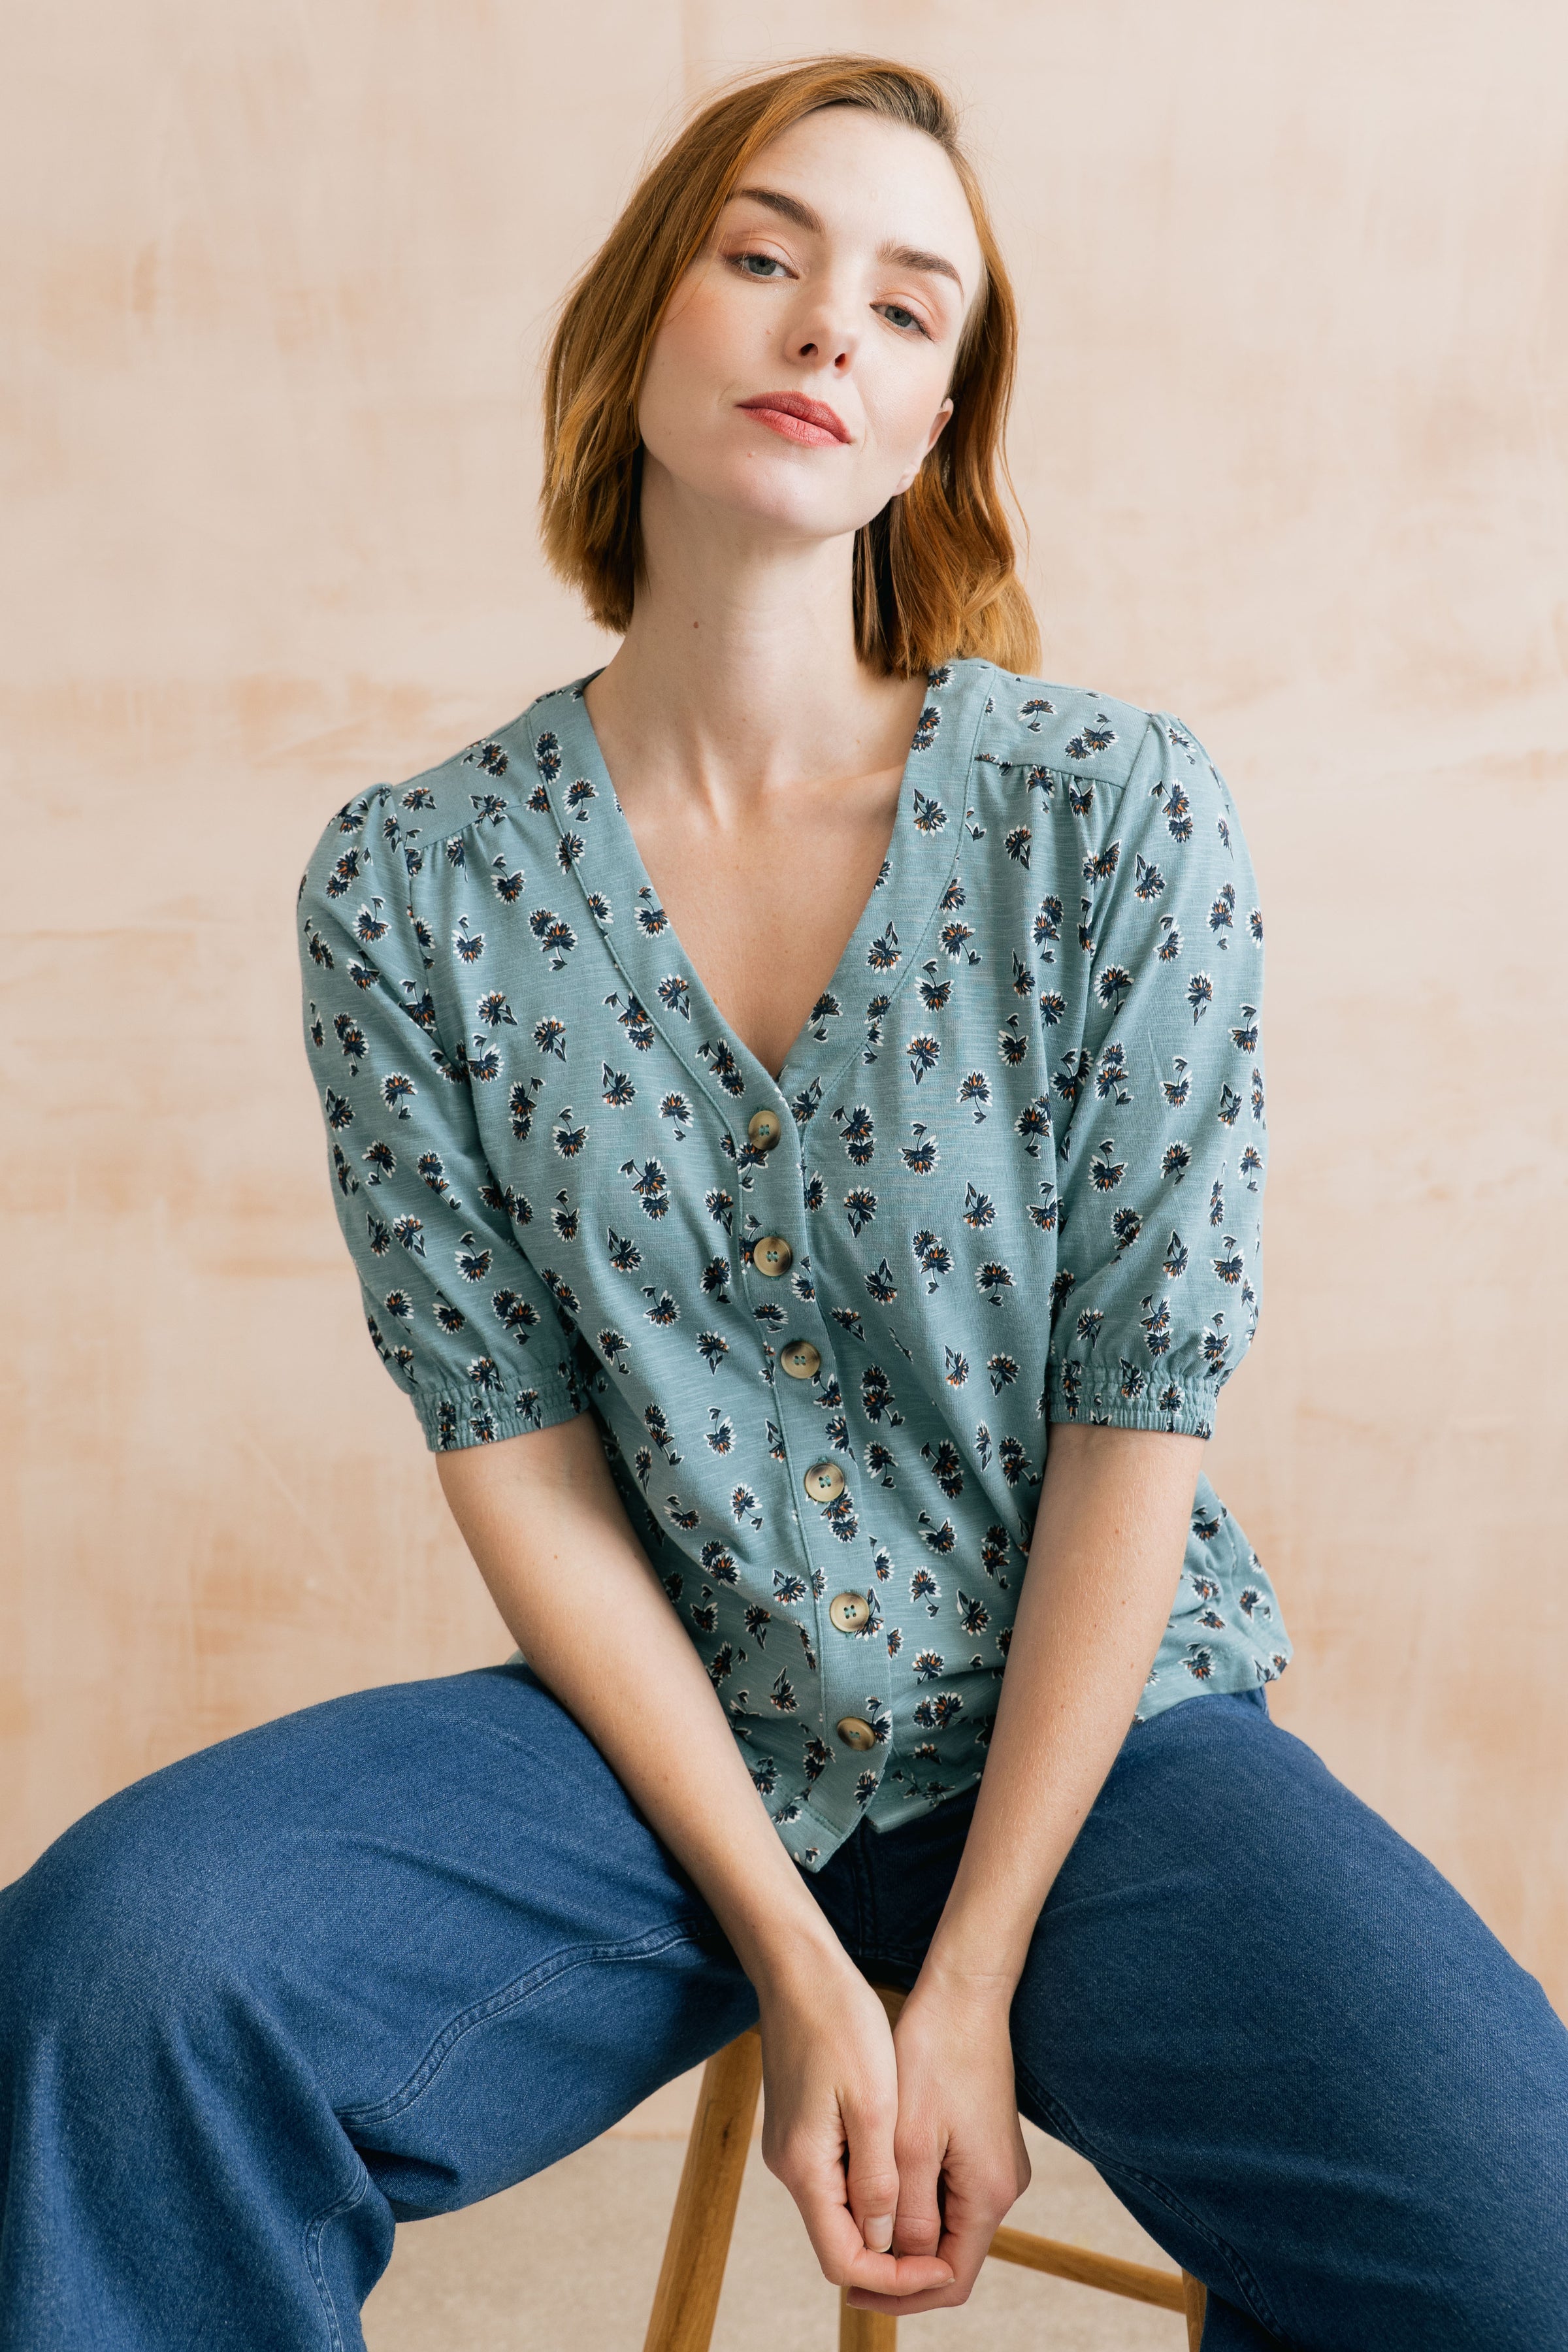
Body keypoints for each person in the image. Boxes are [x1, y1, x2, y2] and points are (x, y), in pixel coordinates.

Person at [1, 54, 1563, 2352]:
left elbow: (1145, 1413)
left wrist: (971, 1975)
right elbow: (513, 1452)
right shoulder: (411, 889)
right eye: (765, 255)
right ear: (647, 321)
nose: (832, 325)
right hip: (648, 1755)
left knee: (1518, 2238)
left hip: (1089, 1740)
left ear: (937, 424)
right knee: (116, 1972)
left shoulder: (1111, 819)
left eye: (912, 306)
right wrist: (809, 1967)